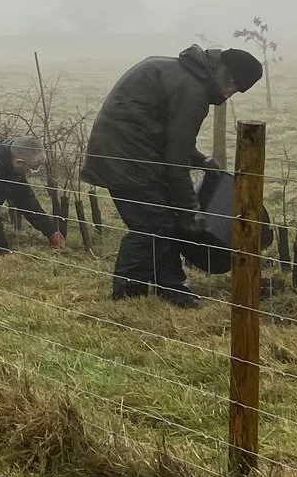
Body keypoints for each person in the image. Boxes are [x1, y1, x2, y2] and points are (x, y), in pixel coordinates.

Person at [80, 45, 263, 306]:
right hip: (126, 160)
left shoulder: (182, 71)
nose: (229, 96)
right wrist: (190, 210)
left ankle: (173, 288)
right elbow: (175, 160)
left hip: (122, 154)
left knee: (161, 222)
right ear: (229, 80)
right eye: (235, 90)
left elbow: (172, 140)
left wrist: (201, 162)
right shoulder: (192, 91)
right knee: (152, 226)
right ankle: (127, 294)